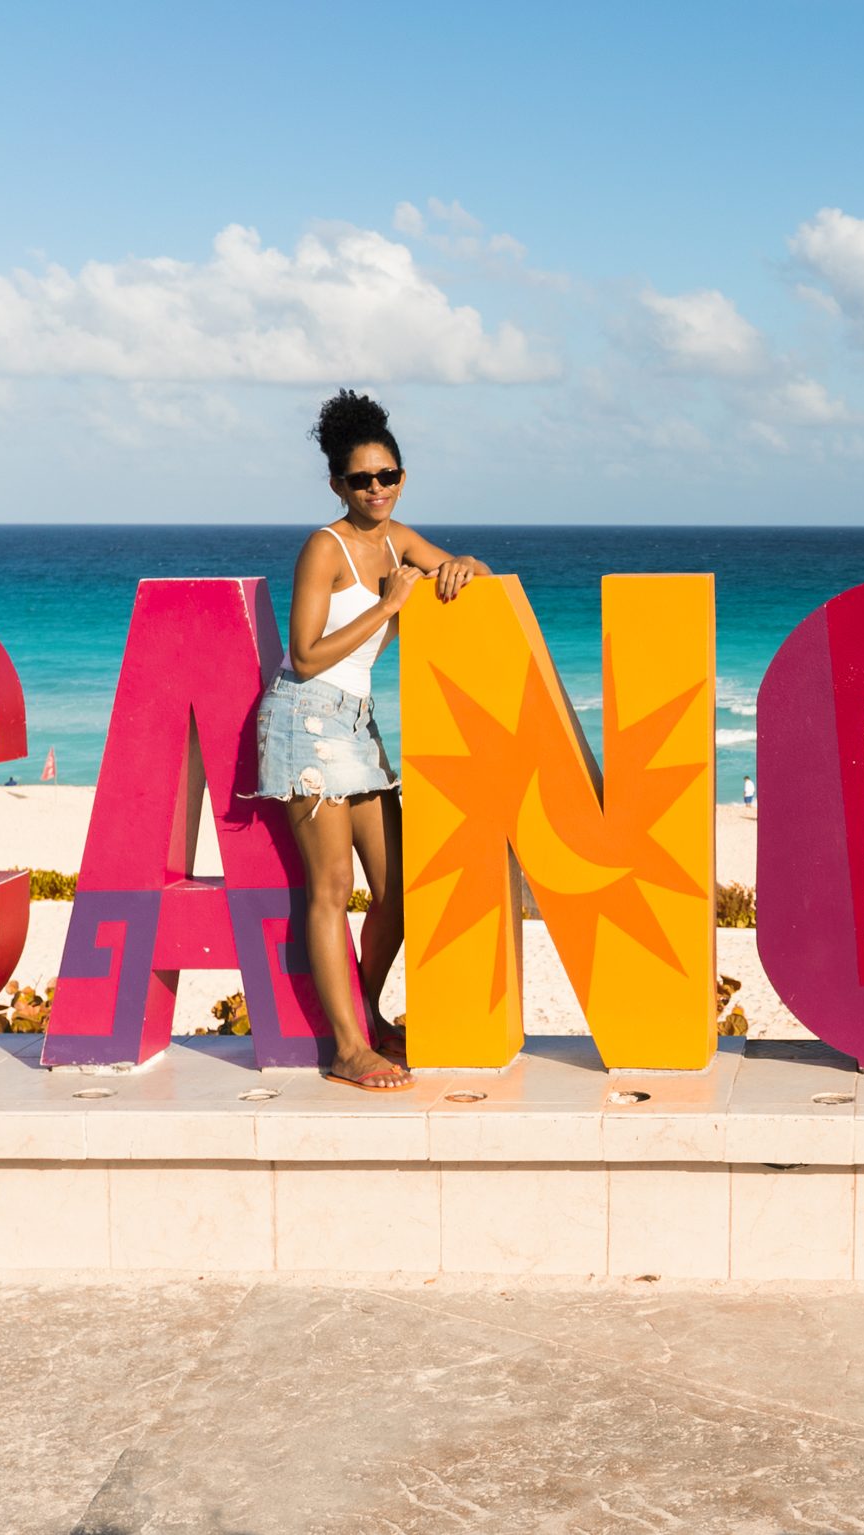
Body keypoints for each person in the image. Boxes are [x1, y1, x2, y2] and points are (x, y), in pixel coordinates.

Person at [247, 390, 489, 1093]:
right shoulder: (323, 547)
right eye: (361, 479)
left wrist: (463, 563)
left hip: (357, 722)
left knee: (400, 888)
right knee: (331, 889)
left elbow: (464, 575)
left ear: (402, 478)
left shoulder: (399, 538)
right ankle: (349, 1048)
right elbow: (307, 652)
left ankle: (368, 1011)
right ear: (336, 484)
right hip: (305, 715)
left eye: (387, 476)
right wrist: (388, 606)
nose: (376, 488)